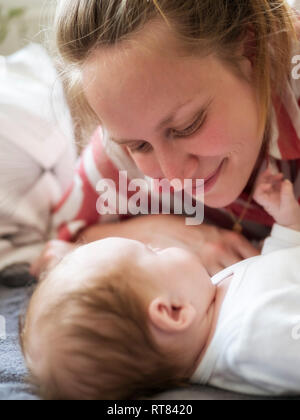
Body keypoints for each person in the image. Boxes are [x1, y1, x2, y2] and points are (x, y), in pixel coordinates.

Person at [44, 0, 300, 277]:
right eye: (139, 146)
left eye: (187, 126)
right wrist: (166, 234)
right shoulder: (117, 151)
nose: (173, 174)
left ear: (249, 49)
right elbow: (58, 250)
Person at [21, 166, 300, 400]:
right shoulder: (251, 339)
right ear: (173, 311)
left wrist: (286, 226)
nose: (159, 243)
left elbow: (275, 273)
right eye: (152, 251)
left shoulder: (211, 302)